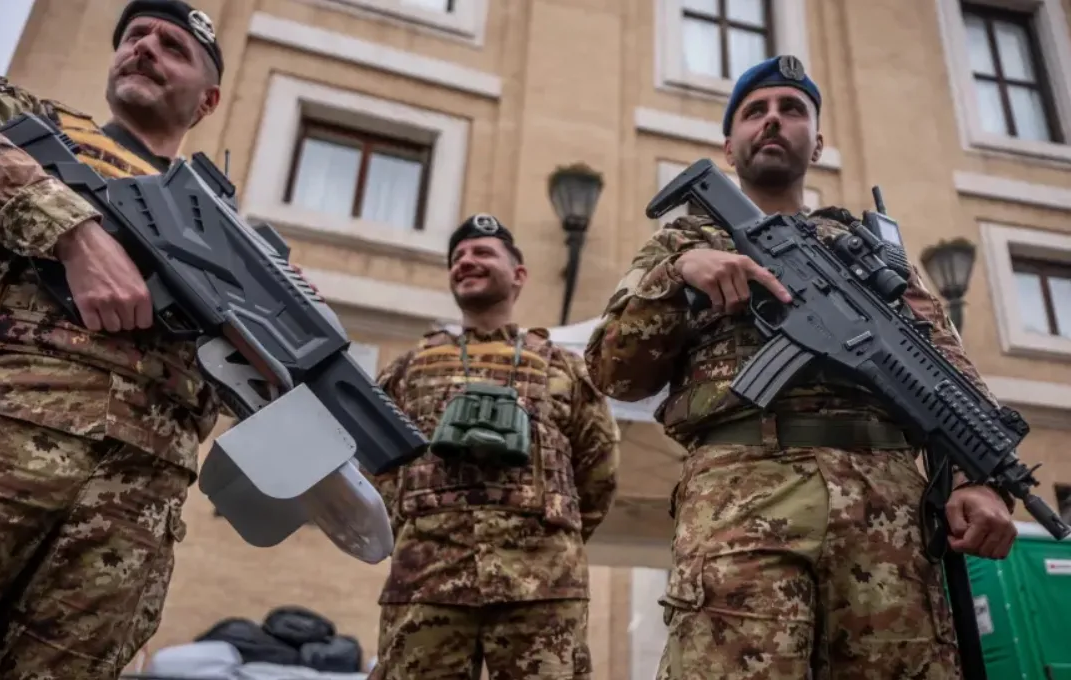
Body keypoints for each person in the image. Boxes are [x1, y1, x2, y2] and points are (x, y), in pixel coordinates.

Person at [584, 54, 1018, 679]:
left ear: (818, 142)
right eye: (754, 112)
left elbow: (953, 382)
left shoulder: (877, 255)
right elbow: (612, 373)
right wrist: (678, 278)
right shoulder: (680, 244)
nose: (772, 122)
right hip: (740, 498)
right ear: (728, 145)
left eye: (792, 110)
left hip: (887, 515)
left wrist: (985, 482)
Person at [0, 1, 225, 677]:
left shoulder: (221, 227)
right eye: (137, 37)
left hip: (132, 498)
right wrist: (69, 230)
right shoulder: (23, 120)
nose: (146, 47)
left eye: (173, 47)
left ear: (206, 100)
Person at [368, 214, 621, 680]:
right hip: (426, 581)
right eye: (457, 258)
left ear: (518, 275)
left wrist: (549, 539)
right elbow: (376, 461)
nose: (466, 262)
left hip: (542, 584)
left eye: (482, 253)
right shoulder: (408, 369)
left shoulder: (563, 368)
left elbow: (599, 467)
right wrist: (417, 526)